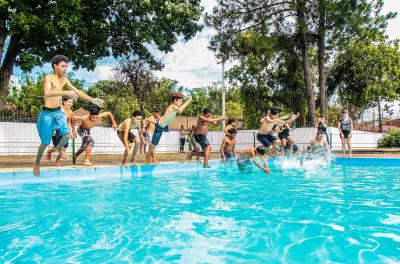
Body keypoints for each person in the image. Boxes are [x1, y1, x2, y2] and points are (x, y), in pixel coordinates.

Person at [33, 55, 104, 176]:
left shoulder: (64, 79)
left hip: (58, 113)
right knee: (44, 143)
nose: (65, 68)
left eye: (66, 66)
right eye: (62, 66)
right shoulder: (48, 77)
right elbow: (47, 93)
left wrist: (92, 100)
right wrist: (65, 92)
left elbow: (77, 91)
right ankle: (37, 163)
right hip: (47, 114)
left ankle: (56, 149)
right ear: (55, 66)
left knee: (66, 135)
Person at [146, 93, 192, 163]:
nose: (181, 102)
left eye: (182, 101)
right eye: (180, 101)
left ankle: (149, 158)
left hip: (162, 127)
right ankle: (148, 158)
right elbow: (180, 110)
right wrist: (189, 100)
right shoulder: (172, 106)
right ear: (175, 100)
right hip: (159, 126)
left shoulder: (174, 107)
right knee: (153, 144)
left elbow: (179, 110)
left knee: (154, 144)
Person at [46, 96, 76, 165]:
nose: (71, 104)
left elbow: (68, 122)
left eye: (72, 103)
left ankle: (57, 160)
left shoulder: (70, 112)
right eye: (69, 102)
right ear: (64, 102)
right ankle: (49, 152)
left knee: (64, 148)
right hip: (56, 130)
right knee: (57, 147)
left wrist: (70, 132)